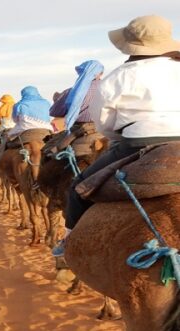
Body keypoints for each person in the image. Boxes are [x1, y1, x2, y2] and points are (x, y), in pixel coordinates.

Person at [52, 15, 180, 257]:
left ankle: (69, 243)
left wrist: (118, 136)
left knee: (79, 189)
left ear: (130, 43)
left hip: (138, 143)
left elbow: (105, 125)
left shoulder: (119, 76)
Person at [0, 86, 53, 165]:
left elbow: (15, 120)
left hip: (24, 128)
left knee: (6, 138)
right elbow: (50, 115)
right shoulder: (46, 103)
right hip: (46, 128)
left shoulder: (19, 105)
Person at [50, 60, 105, 132]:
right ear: (101, 74)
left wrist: (57, 100)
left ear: (81, 73)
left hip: (80, 129)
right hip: (107, 129)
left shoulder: (71, 91)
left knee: (52, 143)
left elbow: (55, 112)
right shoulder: (111, 88)